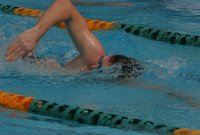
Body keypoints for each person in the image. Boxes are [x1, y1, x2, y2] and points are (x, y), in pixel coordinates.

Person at [5, 0, 143, 77]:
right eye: (100, 63)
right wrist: (36, 33)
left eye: (99, 67)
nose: (96, 65)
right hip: (24, 63)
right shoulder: (95, 54)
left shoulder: (94, 72)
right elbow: (65, 5)